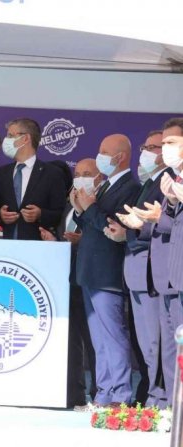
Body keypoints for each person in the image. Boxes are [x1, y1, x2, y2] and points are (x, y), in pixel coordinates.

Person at [72, 134, 140, 407]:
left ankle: (120, 395)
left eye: (104, 151)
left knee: (112, 335)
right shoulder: (107, 186)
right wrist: (80, 209)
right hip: (91, 270)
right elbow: (92, 224)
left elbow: (111, 226)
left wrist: (90, 207)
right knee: (99, 338)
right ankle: (104, 392)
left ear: (120, 156)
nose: (99, 156)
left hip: (108, 272)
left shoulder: (130, 187)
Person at [113, 130, 171, 408]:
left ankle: (161, 401)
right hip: (138, 272)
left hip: (154, 273)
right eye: (145, 146)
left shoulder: (167, 181)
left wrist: (135, 229)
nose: (147, 152)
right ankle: (154, 398)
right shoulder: (150, 182)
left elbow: (164, 226)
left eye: (155, 147)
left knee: (156, 345)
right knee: (147, 344)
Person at [40, 158, 98, 410]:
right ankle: (73, 395)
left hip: (91, 282)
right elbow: (66, 235)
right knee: (70, 340)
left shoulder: (99, 204)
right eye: (78, 173)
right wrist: (55, 242)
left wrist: (82, 241)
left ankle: (100, 394)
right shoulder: (69, 205)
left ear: (99, 178)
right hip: (66, 282)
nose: (81, 177)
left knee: (94, 342)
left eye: (87, 173)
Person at [0, 118, 66, 240]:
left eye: (11, 136)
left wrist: (40, 214)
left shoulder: (52, 174)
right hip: (5, 244)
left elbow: (61, 213)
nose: (6, 140)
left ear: (26, 138)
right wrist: (0, 215)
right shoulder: (0, 174)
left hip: (37, 244)